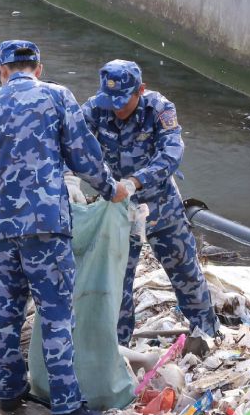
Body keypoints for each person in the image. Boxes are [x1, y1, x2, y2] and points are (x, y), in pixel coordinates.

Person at [0, 40, 129, 415]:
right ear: (38, 68)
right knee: (57, 315)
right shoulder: (57, 96)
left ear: (4, 70)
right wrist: (111, 189)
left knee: (7, 313)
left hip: (3, 228)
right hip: (47, 225)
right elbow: (84, 155)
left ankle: (8, 392)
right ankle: (65, 407)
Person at [81, 60, 219, 345]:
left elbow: (171, 153)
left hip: (160, 203)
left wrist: (135, 181)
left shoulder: (159, 109)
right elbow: (74, 142)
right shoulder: (97, 107)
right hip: (118, 208)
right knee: (118, 279)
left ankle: (207, 332)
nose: (117, 109)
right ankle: (117, 348)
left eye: (123, 101)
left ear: (140, 90)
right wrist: (73, 178)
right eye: (112, 102)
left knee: (185, 269)